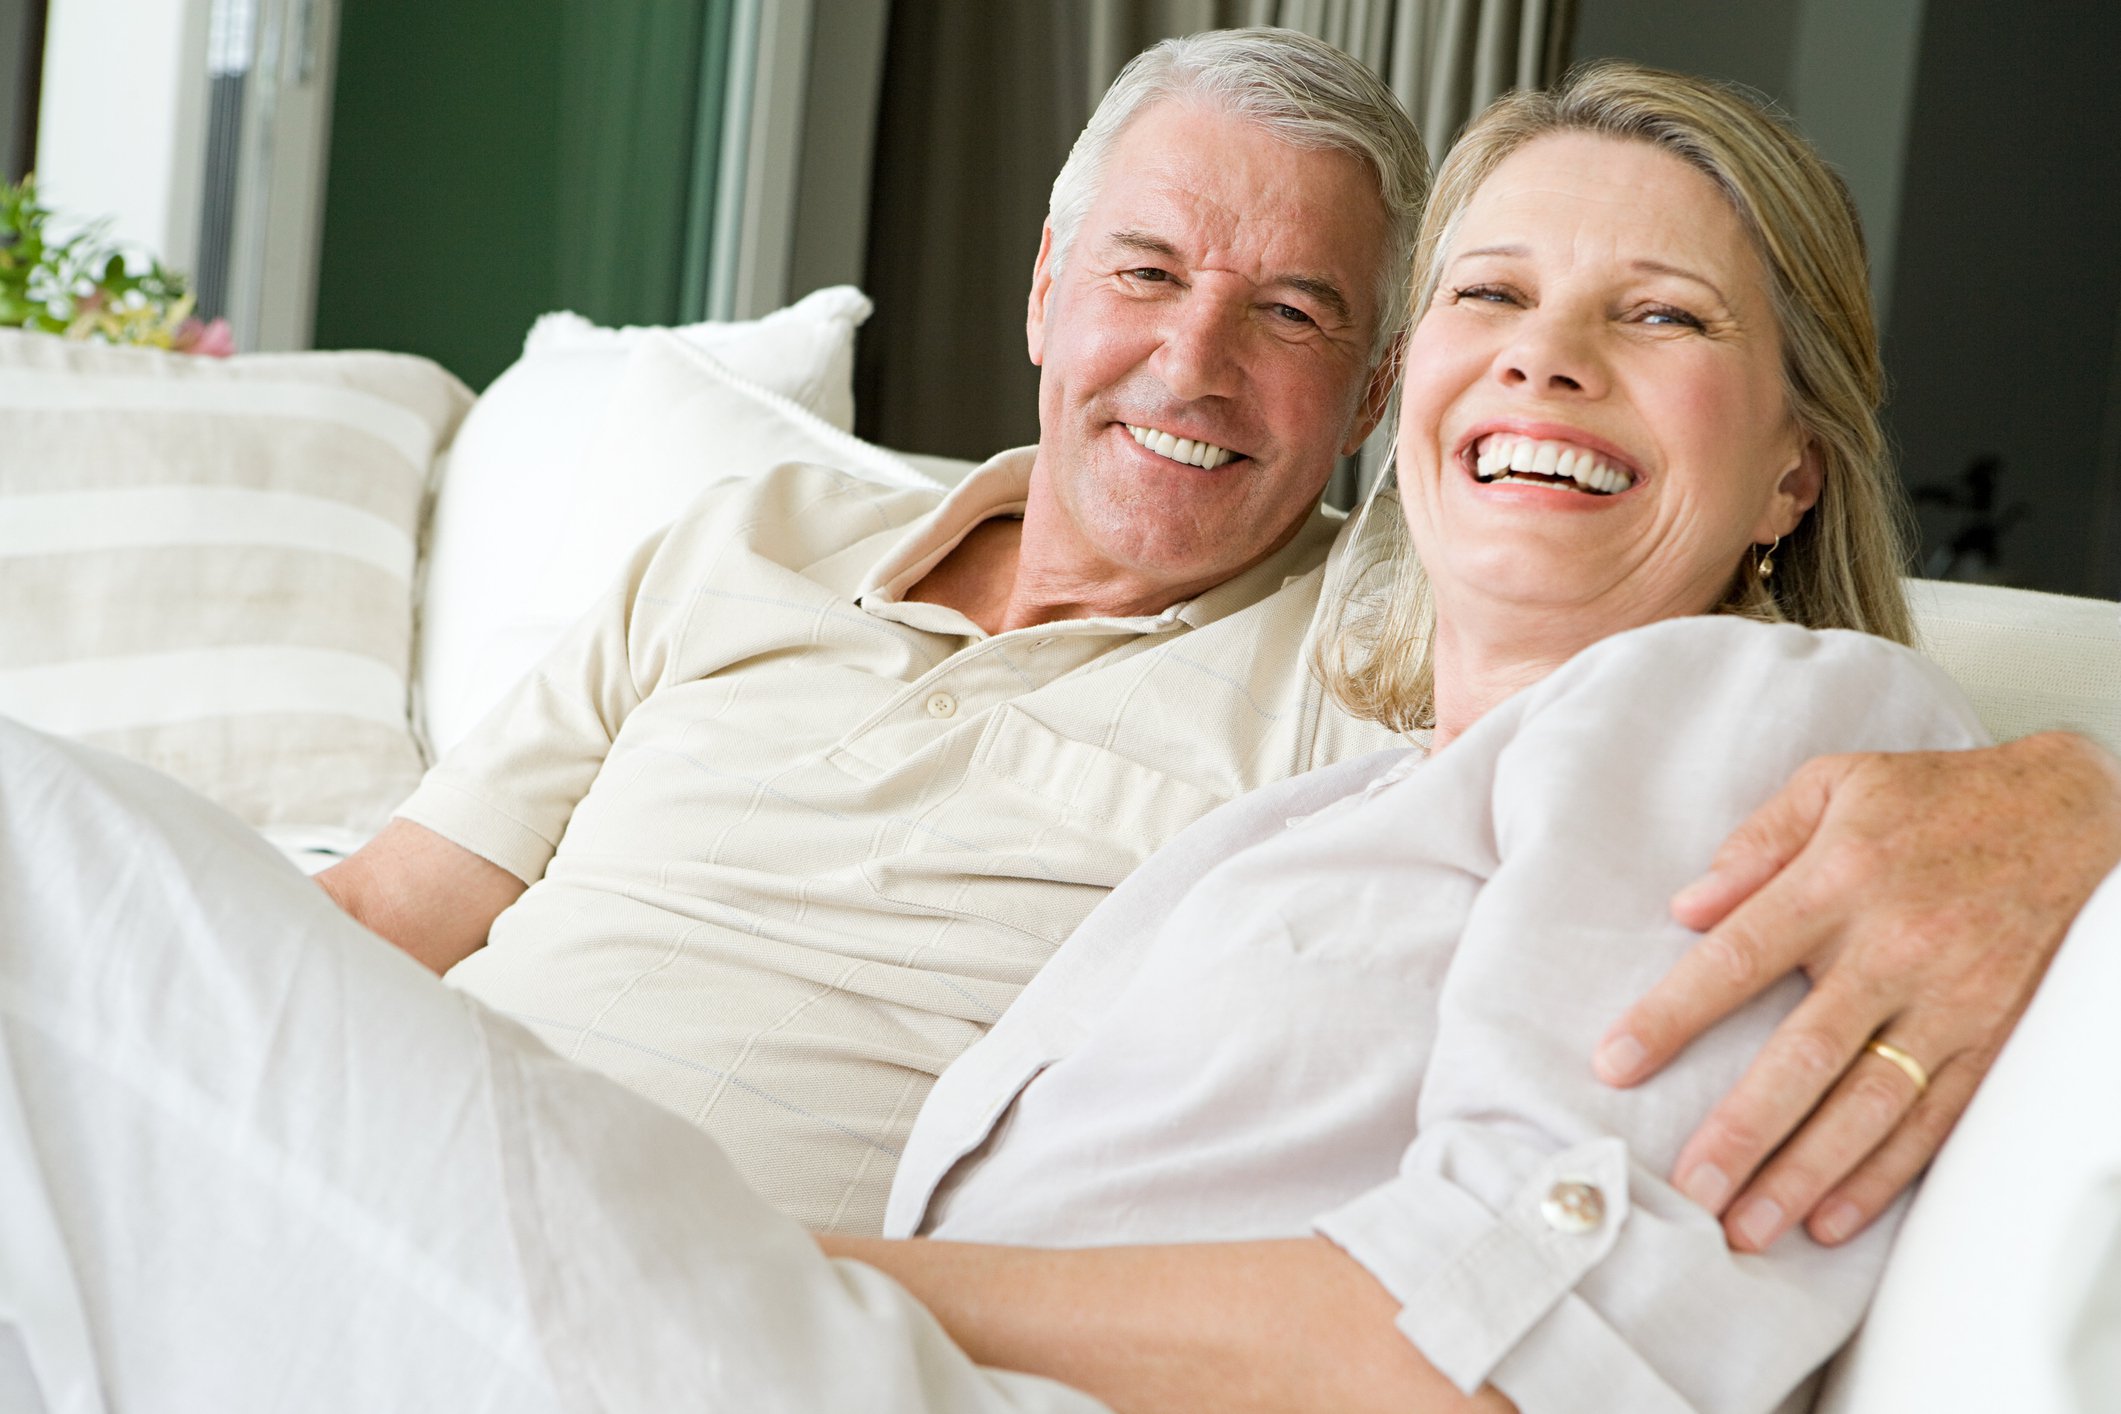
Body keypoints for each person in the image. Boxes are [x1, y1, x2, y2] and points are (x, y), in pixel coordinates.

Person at [1, 57, 2090, 1414]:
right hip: (652, 1274)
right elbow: (375, 910)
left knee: (43, 855)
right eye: (1496, 296)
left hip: (755, 1316)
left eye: (1657, 314)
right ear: (1039, 286)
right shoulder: (1385, 771)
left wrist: (2070, 788)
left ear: (1794, 473)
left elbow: (1498, 1334)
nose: (1541, 360)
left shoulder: (1712, 720)